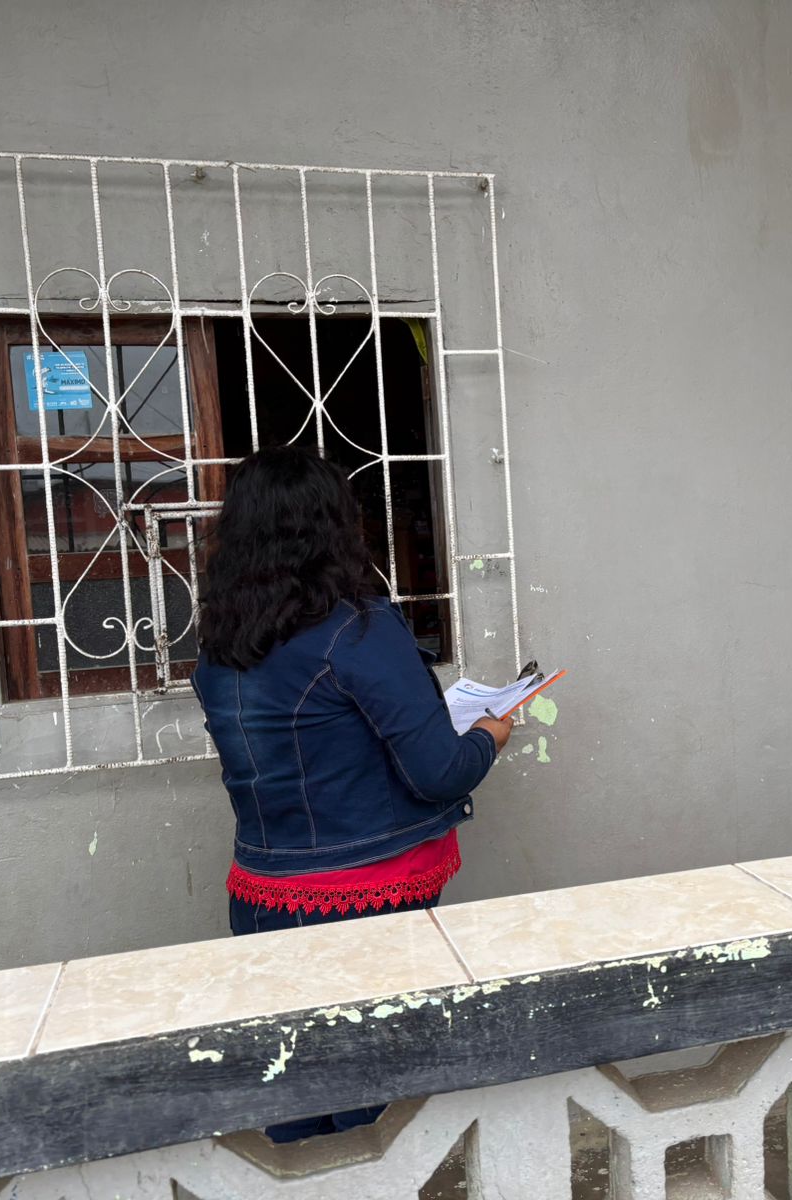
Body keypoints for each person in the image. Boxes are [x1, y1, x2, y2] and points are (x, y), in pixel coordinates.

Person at [191, 444, 512, 1144]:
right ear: (335, 525)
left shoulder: (219, 645)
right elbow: (438, 772)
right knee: (370, 1112)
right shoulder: (357, 629)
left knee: (294, 1092)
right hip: (363, 897)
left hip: (262, 891)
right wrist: (490, 734)